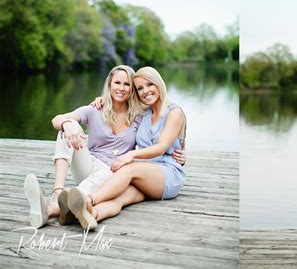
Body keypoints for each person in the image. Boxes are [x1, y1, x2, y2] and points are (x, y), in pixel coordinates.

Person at [23, 65, 185, 228]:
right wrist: (67, 122)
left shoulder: (153, 113)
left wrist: (132, 156)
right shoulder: (117, 110)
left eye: (127, 84)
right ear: (110, 85)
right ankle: (72, 202)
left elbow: (165, 143)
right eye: (140, 88)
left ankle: (83, 205)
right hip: (122, 170)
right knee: (68, 129)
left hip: (131, 171)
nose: (144, 91)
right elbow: (57, 119)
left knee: (124, 183)